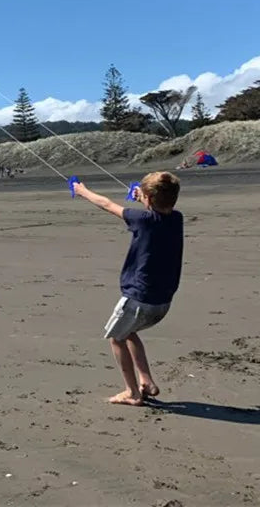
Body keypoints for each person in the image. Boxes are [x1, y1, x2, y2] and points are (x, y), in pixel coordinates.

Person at [72, 172, 184, 407]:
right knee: (129, 332)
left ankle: (132, 392)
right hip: (162, 302)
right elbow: (158, 209)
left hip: (138, 299)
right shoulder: (177, 218)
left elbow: (107, 204)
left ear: (149, 200)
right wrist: (143, 196)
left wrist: (82, 191)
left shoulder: (141, 219)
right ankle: (147, 381)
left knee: (116, 337)